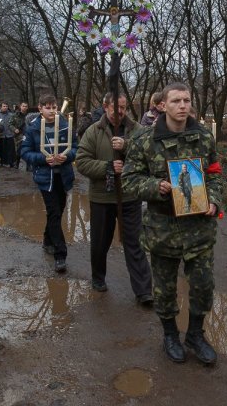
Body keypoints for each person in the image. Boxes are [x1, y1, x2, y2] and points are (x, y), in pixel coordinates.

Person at [122, 82, 223, 365]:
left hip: (199, 229)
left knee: (203, 285)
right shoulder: (144, 140)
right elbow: (129, 180)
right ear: (162, 105)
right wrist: (157, 186)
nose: (182, 106)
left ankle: (195, 334)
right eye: (176, 101)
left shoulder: (203, 137)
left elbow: (215, 174)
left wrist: (213, 200)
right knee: (165, 288)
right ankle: (169, 335)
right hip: (163, 227)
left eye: (187, 100)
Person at [75, 92, 153, 304]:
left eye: (123, 107)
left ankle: (144, 290)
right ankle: (98, 278)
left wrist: (127, 147)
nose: (120, 111)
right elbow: (81, 161)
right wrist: (107, 167)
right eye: (115, 107)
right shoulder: (94, 131)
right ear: (105, 106)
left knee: (135, 243)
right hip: (102, 197)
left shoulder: (136, 130)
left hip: (130, 196)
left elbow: (150, 156)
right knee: (100, 243)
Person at [20, 93, 77, 273]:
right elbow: (24, 152)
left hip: (63, 176)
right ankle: (60, 255)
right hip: (46, 178)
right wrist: (44, 159)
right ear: (40, 109)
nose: (52, 111)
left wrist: (66, 156)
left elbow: (75, 147)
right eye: (48, 107)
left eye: (54, 107)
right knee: (53, 212)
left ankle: (47, 240)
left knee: (58, 212)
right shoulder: (33, 129)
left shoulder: (65, 125)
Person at [10, 101, 29, 168]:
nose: (24, 107)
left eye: (26, 106)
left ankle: (28, 165)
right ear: (20, 106)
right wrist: (14, 129)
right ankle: (17, 163)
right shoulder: (15, 115)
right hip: (18, 135)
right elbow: (10, 124)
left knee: (28, 149)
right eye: (23, 106)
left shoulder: (29, 116)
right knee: (18, 150)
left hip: (28, 134)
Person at [0, 102, 16, 167]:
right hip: (1, 135)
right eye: (4, 106)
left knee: (10, 150)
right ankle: (1, 162)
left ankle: (11, 162)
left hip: (9, 134)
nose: (5, 107)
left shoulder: (11, 115)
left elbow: (14, 124)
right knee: (1, 149)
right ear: (0, 107)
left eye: (6, 106)